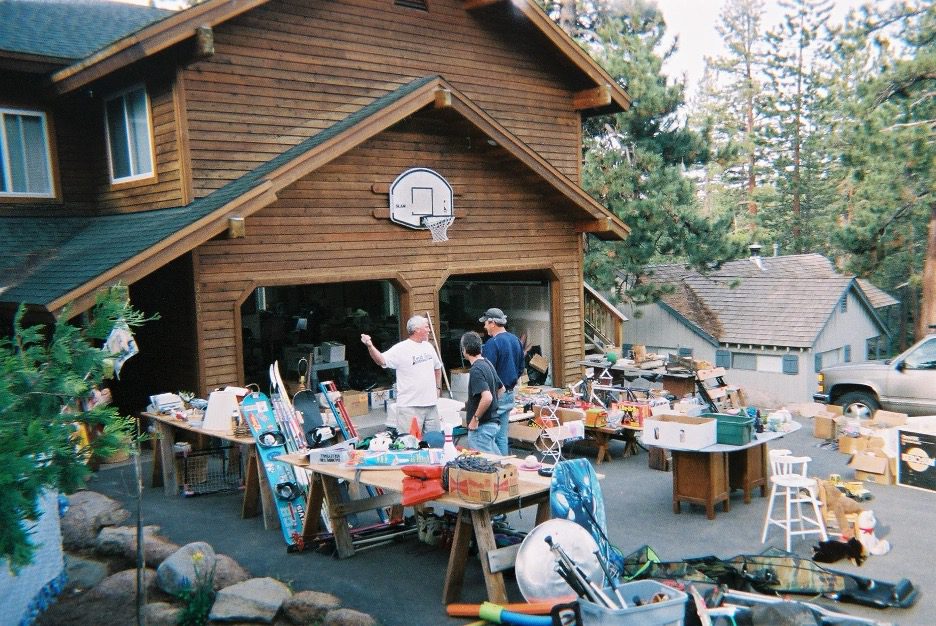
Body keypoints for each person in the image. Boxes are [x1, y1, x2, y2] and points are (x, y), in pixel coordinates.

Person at [361, 315, 443, 435]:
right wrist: (370, 345)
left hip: (431, 405)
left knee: (435, 442)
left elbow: (437, 367)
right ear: (416, 330)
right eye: (426, 327)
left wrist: (438, 387)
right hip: (410, 407)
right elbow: (381, 360)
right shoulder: (401, 348)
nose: (429, 330)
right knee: (410, 444)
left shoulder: (429, 346)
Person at [479, 307, 525, 456]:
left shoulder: (492, 343)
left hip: (496, 394)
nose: (484, 326)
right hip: (510, 392)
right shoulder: (515, 340)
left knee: (486, 436)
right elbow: (521, 368)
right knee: (502, 436)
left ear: (492, 323)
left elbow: (487, 371)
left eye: (486, 323)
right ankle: (505, 467)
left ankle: (494, 469)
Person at [460, 331, 503, 455]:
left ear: (465, 350)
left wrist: (475, 418)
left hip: (482, 427)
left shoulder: (476, 370)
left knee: (483, 466)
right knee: (497, 463)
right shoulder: (487, 363)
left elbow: (487, 397)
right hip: (492, 423)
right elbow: (501, 389)